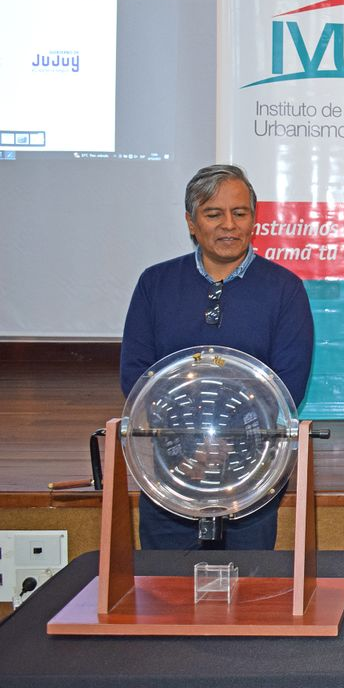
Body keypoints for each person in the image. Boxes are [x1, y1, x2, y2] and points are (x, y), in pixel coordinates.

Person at [120, 164, 314, 549]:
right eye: (213, 214)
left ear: (254, 220)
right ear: (191, 223)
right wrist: (191, 441)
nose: (229, 225)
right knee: (165, 581)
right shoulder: (155, 283)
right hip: (171, 468)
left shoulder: (285, 288)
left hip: (252, 471)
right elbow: (136, 377)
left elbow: (287, 384)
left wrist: (226, 439)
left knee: (248, 580)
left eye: (240, 213)